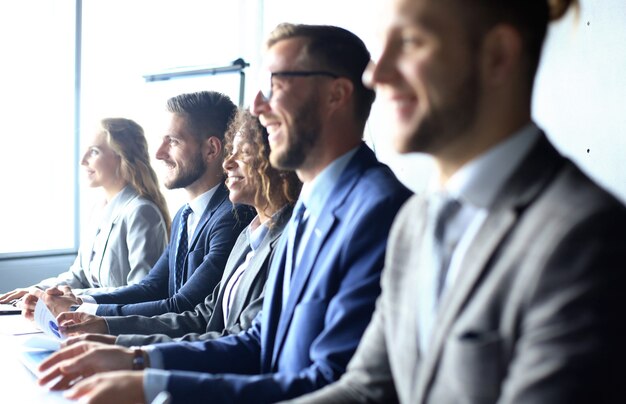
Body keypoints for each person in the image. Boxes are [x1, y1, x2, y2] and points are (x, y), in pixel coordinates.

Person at [36, 23, 412, 403]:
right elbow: (258, 343)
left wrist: (153, 383)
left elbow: (331, 384)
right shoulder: (306, 210)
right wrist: (137, 360)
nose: (258, 108)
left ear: (337, 94)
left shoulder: (379, 212)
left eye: (276, 86)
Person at [279, 0, 626, 403]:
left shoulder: (584, 237)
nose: (375, 74)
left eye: (410, 42)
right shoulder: (415, 219)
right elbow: (365, 390)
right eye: (380, 46)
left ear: (497, 55)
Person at [53, 110, 302, 346]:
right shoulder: (241, 232)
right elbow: (196, 310)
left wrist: (128, 347)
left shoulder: (240, 222)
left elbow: (190, 308)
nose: (228, 163)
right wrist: (91, 314)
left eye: (244, 153)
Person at [25, 91, 253, 319]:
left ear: (211, 150)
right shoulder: (185, 214)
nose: (158, 153)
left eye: (173, 141)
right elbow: (151, 287)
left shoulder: (233, 216)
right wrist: (79, 301)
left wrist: (82, 312)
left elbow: (184, 304)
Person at [0, 117, 169, 304]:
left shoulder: (142, 212)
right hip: (91, 316)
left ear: (122, 157)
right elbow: (79, 276)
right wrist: (37, 290)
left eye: (94, 152)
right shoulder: (99, 209)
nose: (83, 161)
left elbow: (141, 292)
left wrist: (74, 298)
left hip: (117, 324)